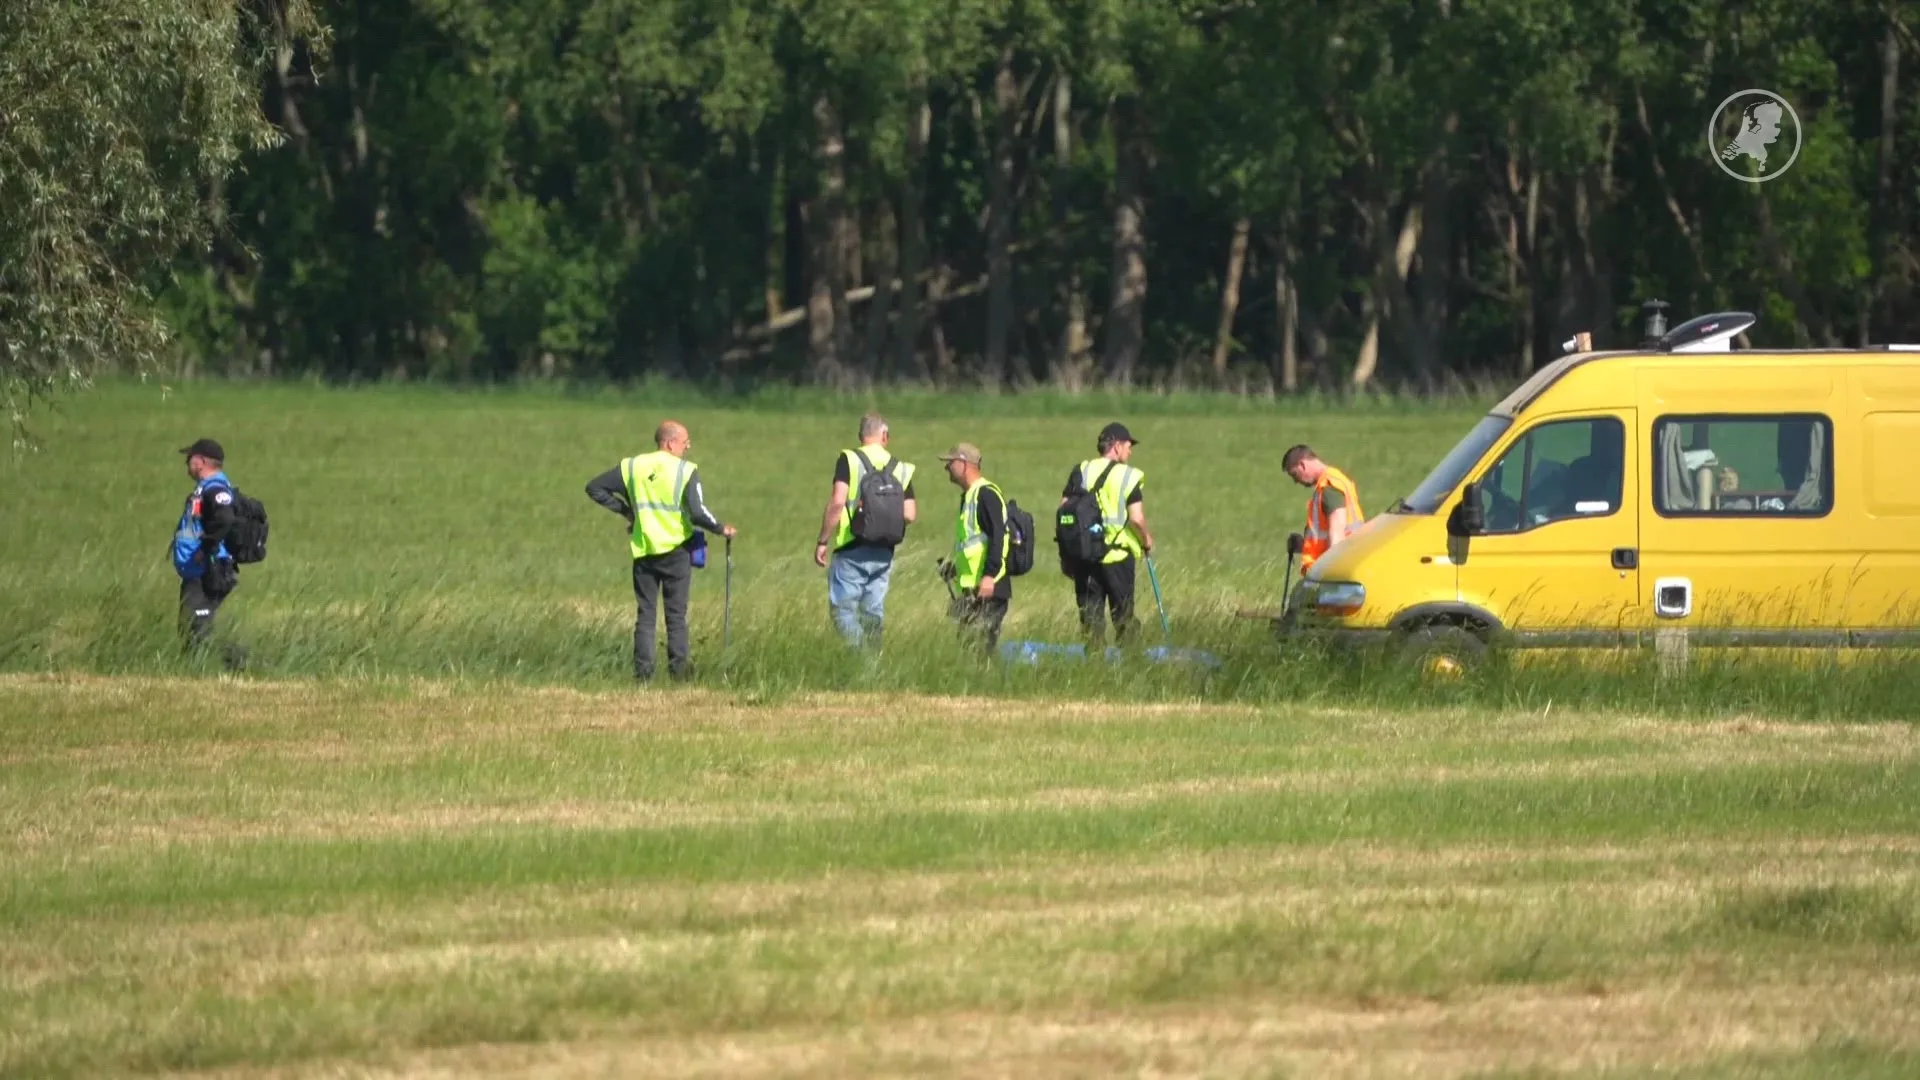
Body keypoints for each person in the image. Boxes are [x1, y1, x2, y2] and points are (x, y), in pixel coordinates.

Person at [585, 420, 737, 681]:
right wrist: (721, 528)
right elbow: (698, 512)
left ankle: (643, 676)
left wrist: (627, 512)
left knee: (645, 615)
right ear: (670, 442)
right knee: (675, 615)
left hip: (644, 549)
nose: (687, 447)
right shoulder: (685, 470)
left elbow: (594, 487)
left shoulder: (632, 466)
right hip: (676, 550)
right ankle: (679, 675)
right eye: (685, 442)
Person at [814, 412, 918, 648]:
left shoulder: (849, 459)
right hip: (884, 550)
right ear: (885, 436)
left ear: (861, 436)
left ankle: (862, 663)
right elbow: (910, 513)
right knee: (873, 613)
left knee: (843, 610)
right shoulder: (900, 467)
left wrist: (823, 540)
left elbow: (838, 503)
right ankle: (874, 665)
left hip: (853, 546)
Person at [1061, 422, 1154, 648]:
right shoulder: (1128, 476)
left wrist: (1067, 555)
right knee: (1123, 617)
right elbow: (1136, 518)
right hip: (1117, 559)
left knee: (1091, 621)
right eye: (1128, 445)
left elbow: (1064, 511)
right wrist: (1147, 540)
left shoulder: (1080, 471)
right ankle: (1131, 664)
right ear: (1116, 446)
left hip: (1084, 558)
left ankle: (1095, 666)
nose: (1130, 451)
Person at [172, 438, 247, 669]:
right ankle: (205, 668)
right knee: (191, 625)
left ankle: (236, 660)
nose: (187, 464)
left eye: (189, 459)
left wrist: (205, 549)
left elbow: (224, 518)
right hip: (197, 570)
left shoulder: (214, 489)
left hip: (208, 571)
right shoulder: (204, 488)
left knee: (196, 626)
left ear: (201, 461)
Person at [940, 442, 1011, 652]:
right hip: (973, 591)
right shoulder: (969, 497)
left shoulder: (986, 494)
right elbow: (974, 545)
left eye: (950, 463)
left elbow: (1000, 537)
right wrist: (954, 569)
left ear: (964, 464)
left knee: (980, 652)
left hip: (989, 589)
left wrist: (989, 575)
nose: (946, 468)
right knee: (970, 649)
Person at [1283, 444, 1363, 572]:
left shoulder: (1329, 487)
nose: (1296, 481)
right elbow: (1326, 538)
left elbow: (1337, 533)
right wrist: (1301, 545)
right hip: (1349, 560)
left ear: (1302, 465)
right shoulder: (1334, 479)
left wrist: (1332, 572)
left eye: (1295, 474)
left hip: (1336, 569)